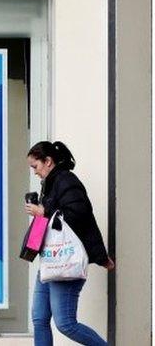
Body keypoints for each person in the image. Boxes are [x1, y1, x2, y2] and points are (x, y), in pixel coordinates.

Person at [24, 141, 115, 346]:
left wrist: (44, 212)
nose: (35, 172)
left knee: (65, 323)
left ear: (48, 161)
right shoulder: (50, 183)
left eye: (35, 166)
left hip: (64, 262)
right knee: (39, 318)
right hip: (51, 261)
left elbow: (79, 215)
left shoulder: (66, 180)